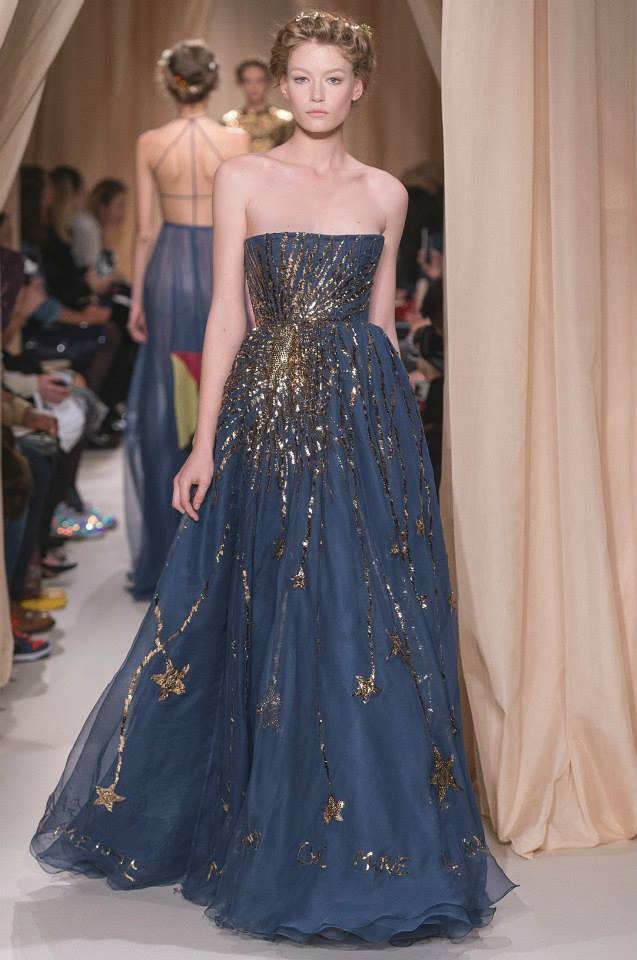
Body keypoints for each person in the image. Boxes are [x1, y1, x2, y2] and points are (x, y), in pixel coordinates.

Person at [32, 11, 514, 944]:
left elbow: (379, 327)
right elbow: (226, 315)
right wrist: (204, 442)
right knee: (263, 601)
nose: (316, 94)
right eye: (301, 78)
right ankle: (267, 821)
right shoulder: (243, 176)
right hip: (266, 419)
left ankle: (369, 833)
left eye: (333, 78)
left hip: (362, 421)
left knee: (358, 611)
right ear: (279, 86)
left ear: (359, 86)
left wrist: (397, 449)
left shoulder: (384, 193)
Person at [124, 39, 249, 601]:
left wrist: (136, 300)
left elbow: (145, 230)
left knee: (168, 401)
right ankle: (219, 553)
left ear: (168, 81)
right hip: (220, 262)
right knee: (222, 386)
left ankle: (167, 551)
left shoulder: (150, 141)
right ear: (212, 81)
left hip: (170, 265)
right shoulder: (236, 140)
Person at [221, 57, 294, 151]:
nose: (254, 86)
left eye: (260, 80)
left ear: (268, 83)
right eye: (248, 81)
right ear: (240, 84)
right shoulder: (229, 123)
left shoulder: (285, 122)